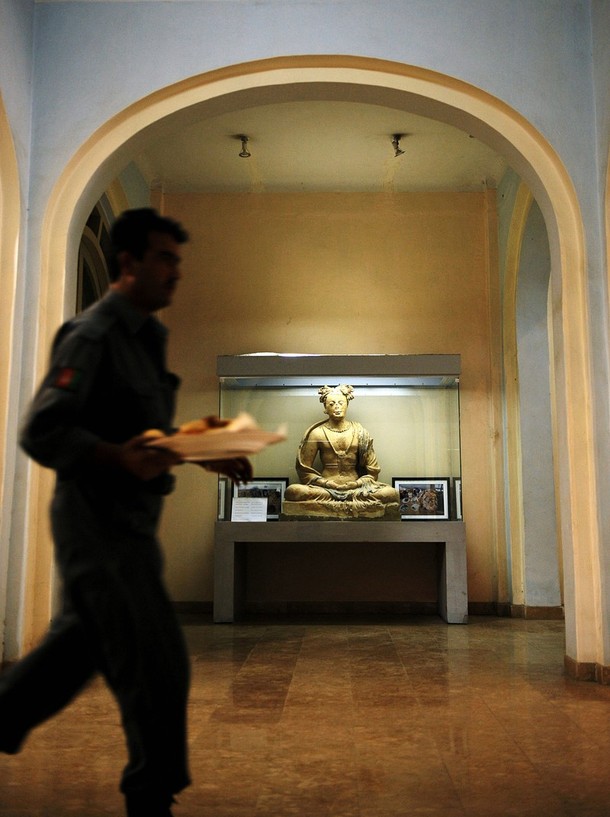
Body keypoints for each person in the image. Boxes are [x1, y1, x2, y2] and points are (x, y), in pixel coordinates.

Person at [0, 208, 252, 817]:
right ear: (128, 263)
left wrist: (197, 450)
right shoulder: (92, 335)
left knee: (75, 652)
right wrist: (114, 457)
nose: (176, 272)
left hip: (132, 526)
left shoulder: (145, 338)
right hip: (96, 523)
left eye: (178, 261)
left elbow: (143, 434)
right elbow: (42, 430)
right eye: (165, 259)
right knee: (156, 665)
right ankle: (150, 795)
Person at [283, 385, 398, 518]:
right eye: (332, 404)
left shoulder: (360, 432)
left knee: (391, 493)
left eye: (341, 403)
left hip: (356, 489)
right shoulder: (317, 433)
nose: (337, 407)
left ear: (347, 405)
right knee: (293, 491)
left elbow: (373, 472)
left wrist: (356, 484)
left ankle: (334, 505)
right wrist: (326, 483)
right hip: (325, 489)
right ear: (325, 408)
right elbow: (304, 470)